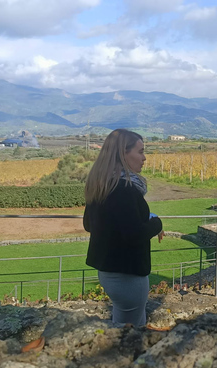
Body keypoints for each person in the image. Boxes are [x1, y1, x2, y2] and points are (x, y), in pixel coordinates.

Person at [83, 129, 164, 326]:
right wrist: (157, 223)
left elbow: (88, 224)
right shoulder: (124, 189)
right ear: (123, 154)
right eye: (141, 151)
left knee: (123, 326)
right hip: (127, 275)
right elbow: (134, 234)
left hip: (109, 271)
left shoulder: (102, 185)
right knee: (131, 333)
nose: (144, 158)